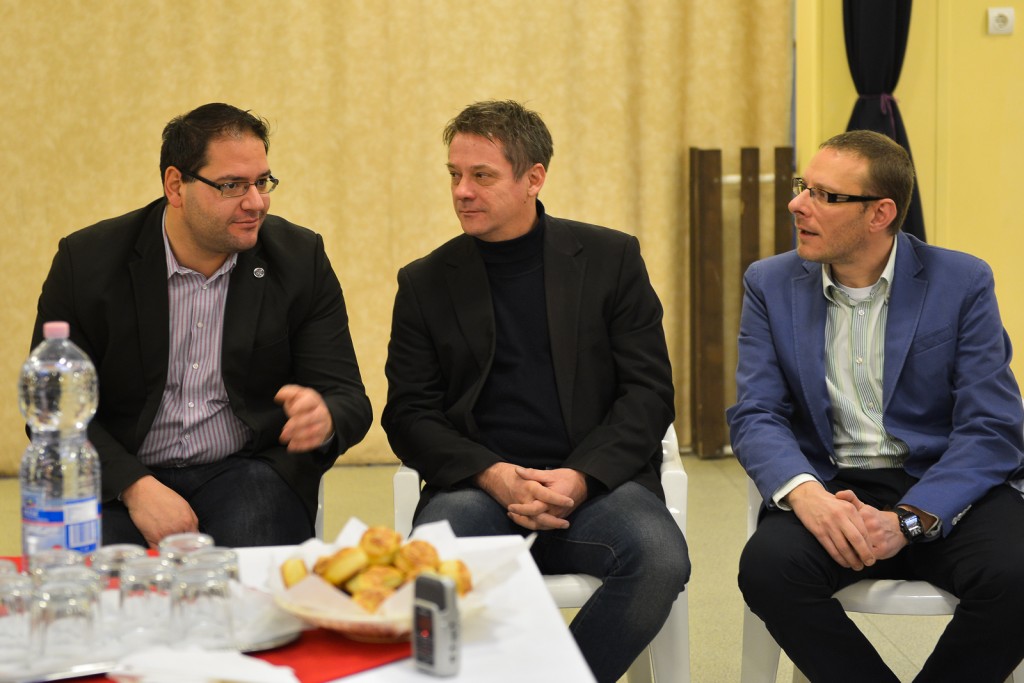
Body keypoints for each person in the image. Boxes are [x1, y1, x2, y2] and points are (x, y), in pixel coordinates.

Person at [381, 100, 689, 682]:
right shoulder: (425, 282)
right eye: (454, 174)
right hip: (477, 489)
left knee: (659, 560)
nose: (462, 192)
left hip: (596, 486)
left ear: (534, 178)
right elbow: (409, 414)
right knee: (431, 573)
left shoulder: (610, 259)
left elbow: (649, 393)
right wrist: (493, 474)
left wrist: (581, 477)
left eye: (482, 175)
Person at [728, 129, 1024, 682]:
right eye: (802, 186)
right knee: (769, 571)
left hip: (944, 482)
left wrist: (909, 519)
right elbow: (756, 413)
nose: (797, 205)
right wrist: (807, 495)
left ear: (880, 213)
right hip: (833, 484)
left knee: (1017, 575)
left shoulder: (961, 281)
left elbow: (992, 426)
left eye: (825, 195)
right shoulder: (769, 283)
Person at [31, 103, 372, 548]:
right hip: (121, 474)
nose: (256, 202)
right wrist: (134, 486)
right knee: (97, 571)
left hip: (245, 470)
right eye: (232, 186)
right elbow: (52, 408)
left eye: (262, 182)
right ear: (176, 185)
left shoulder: (298, 258)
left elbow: (348, 398)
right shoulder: (87, 262)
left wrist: (324, 418)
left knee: (253, 547)